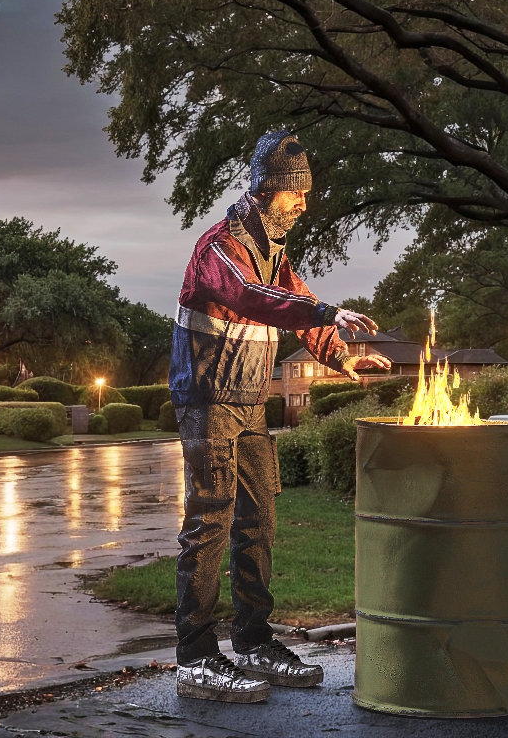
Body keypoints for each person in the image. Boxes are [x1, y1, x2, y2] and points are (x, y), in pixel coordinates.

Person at [167, 130, 390, 702]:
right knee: (210, 523)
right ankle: (195, 658)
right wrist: (327, 310)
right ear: (269, 188)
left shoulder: (274, 253)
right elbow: (250, 298)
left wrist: (341, 355)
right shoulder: (219, 247)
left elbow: (298, 312)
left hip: (248, 403)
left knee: (258, 522)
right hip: (208, 400)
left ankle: (254, 641)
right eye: (297, 194)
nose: (304, 205)